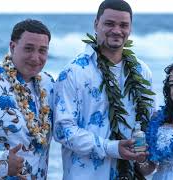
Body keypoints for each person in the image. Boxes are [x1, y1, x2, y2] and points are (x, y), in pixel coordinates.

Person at [53, 0, 155, 179]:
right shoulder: (74, 72)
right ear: (96, 24)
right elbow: (62, 129)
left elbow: (150, 122)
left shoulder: (142, 71)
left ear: (130, 29)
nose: (117, 30)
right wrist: (111, 148)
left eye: (123, 25)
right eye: (109, 23)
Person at [0, 19, 54, 179]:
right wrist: (1, 161)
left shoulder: (48, 84)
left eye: (42, 50)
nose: (35, 57)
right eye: (28, 49)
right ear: (12, 47)